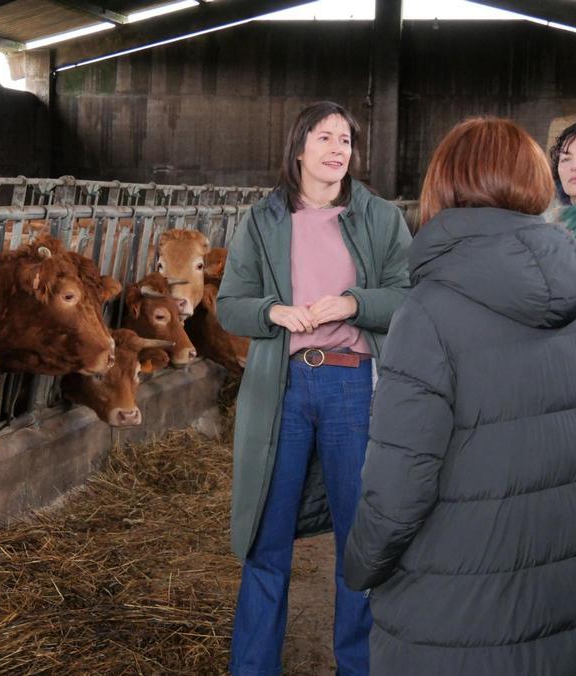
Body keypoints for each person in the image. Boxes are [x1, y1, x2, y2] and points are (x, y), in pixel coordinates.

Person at [343, 117, 576, 674]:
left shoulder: (429, 311)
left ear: (443, 184)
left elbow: (400, 480)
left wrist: (362, 565)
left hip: (452, 612)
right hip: (561, 598)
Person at [216, 100, 411, 675]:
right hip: (283, 388)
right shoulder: (263, 220)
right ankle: (254, 667)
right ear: (299, 147)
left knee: (359, 540)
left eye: (345, 140)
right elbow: (229, 305)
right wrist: (272, 311)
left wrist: (354, 303)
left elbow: (408, 295)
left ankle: (359, 666)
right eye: (325, 137)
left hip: (353, 385)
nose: (337, 149)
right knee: (266, 536)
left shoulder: (379, 217)